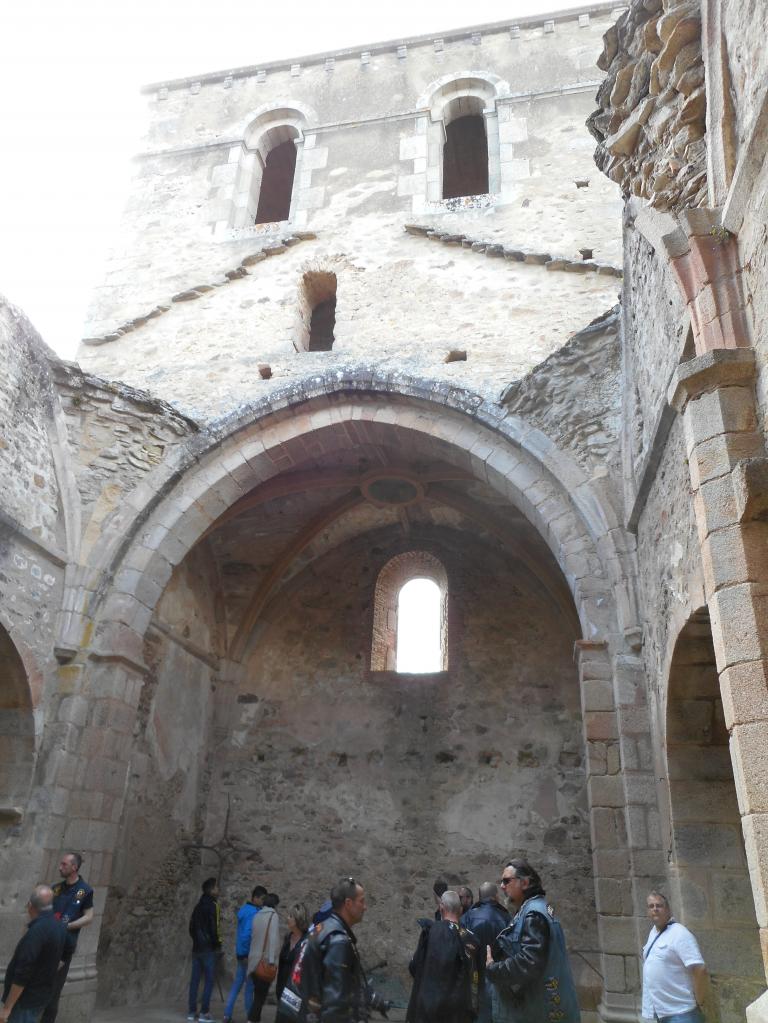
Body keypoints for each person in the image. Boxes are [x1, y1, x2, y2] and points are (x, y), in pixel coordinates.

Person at [280, 877, 389, 1022]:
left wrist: (365, 996)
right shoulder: (338, 940)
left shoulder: (321, 928)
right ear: (348, 904)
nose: (365, 907)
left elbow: (328, 981)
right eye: (361, 901)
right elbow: (334, 1005)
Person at [486, 859, 580, 1023]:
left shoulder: (533, 914)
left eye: (506, 881)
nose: (502, 886)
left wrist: (494, 969)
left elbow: (528, 963)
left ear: (525, 883)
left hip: (540, 1009)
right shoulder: (539, 907)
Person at [406, 889, 479, 1023]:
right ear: (461, 910)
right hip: (456, 1012)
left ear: (441, 908)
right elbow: (473, 978)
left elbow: (414, 967)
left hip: (427, 1010)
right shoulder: (470, 939)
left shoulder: (430, 931)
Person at [40, 852, 94, 1023]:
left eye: (64, 864)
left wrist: (68, 926)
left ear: (74, 867)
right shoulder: (56, 888)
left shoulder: (83, 890)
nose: (60, 867)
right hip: (45, 943)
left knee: (52, 992)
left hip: (63, 948)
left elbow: (89, 916)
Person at [1, 886, 67, 1023]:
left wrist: (7, 1008)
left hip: (25, 1001)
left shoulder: (36, 933)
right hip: (41, 996)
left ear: (30, 906)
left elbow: (22, 973)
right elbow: (63, 956)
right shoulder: (59, 926)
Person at [642, 891, 708, 1023]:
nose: (655, 909)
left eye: (659, 906)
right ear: (648, 911)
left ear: (667, 909)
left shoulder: (679, 933)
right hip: (662, 1013)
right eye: (651, 906)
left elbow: (699, 969)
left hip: (682, 1013)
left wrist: (700, 1001)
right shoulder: (653, 933)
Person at [461, 882, 510, 1023]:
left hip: (474, 978)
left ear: (479, 897)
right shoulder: (506, 917)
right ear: (495, 896)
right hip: (498, 978)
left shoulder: (467, 918)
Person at [222, 885, 267, 1023]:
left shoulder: (244, 910)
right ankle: (250, 1017)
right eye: (262, 899)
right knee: (249, 987)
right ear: (255, 898)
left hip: (240, 953)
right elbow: (247, 934)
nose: (263, 902)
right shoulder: (253, 913)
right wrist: (249, 954)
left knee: (237, 985)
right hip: (247, 955)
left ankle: (227, 1015)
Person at [188, 877, 222, 1023]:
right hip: (208, 949)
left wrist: (196, 940)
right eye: (216, 887)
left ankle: (191, 1012)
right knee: (209, 980)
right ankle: (204, 1012)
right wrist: (217, 943)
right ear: (211, 889)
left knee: (195, 980)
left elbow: (191, 927)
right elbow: (215, 928)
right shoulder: (214, 906)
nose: (218, 890)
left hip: (197, 948)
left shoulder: (197, 906)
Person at [247, 893, 280, 1022]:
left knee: (258, 995)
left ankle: (254, 1019)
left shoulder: (256, 915)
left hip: (254, 960)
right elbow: (273, 939)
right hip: (265, 961)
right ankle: (252, 1019)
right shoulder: (273, 916)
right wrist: (272, 961)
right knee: (260, 997)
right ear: (275, 904)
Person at [275, 903, 310, 1023]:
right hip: (281, 991)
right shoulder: (287, 937)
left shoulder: (306, 942)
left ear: (298, 919)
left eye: (291, 916)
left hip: (296, 995)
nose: (287, 918)